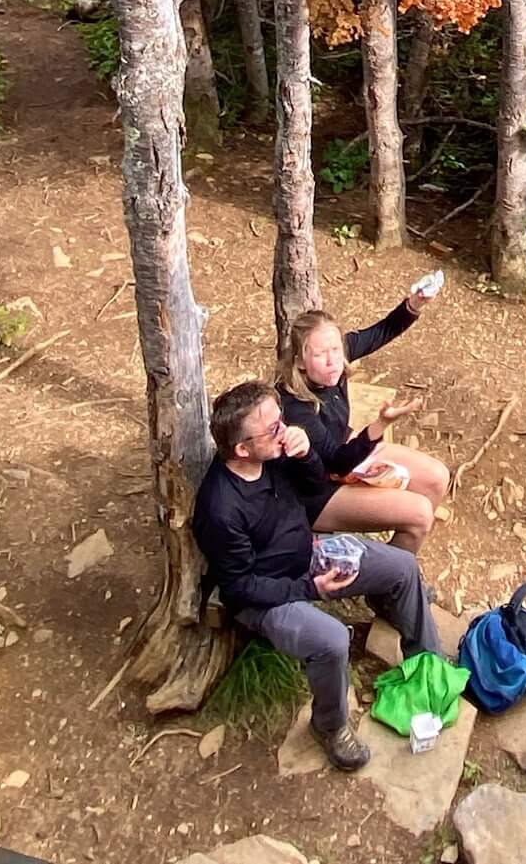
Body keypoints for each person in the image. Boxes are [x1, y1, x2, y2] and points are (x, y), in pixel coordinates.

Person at [193, 378, 443, 773]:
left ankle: (428, 665)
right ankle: (330, 727)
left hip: (307, 554)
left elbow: (313, 488)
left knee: (402, 567)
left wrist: (307, 453)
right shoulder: (220, 508)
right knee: (330, 639)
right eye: (273, 427)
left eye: (281, 421)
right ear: (242, 448)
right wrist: (309, 588)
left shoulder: (272, 455)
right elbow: (240, 587)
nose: (284, 430)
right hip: (268, 596)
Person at [278, 295, 452, 552]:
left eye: (336, 350)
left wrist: (413, 305)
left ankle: (395, 566)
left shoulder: (333, 363)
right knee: (420, 514)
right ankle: (394, 577)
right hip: (314, 493)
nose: (332, 360)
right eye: (320, 354)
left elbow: (381, 332)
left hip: (345, 448)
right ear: (301, 362)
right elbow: (337, 463)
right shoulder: (295, 406)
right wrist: (381, 424)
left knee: (437, 477)